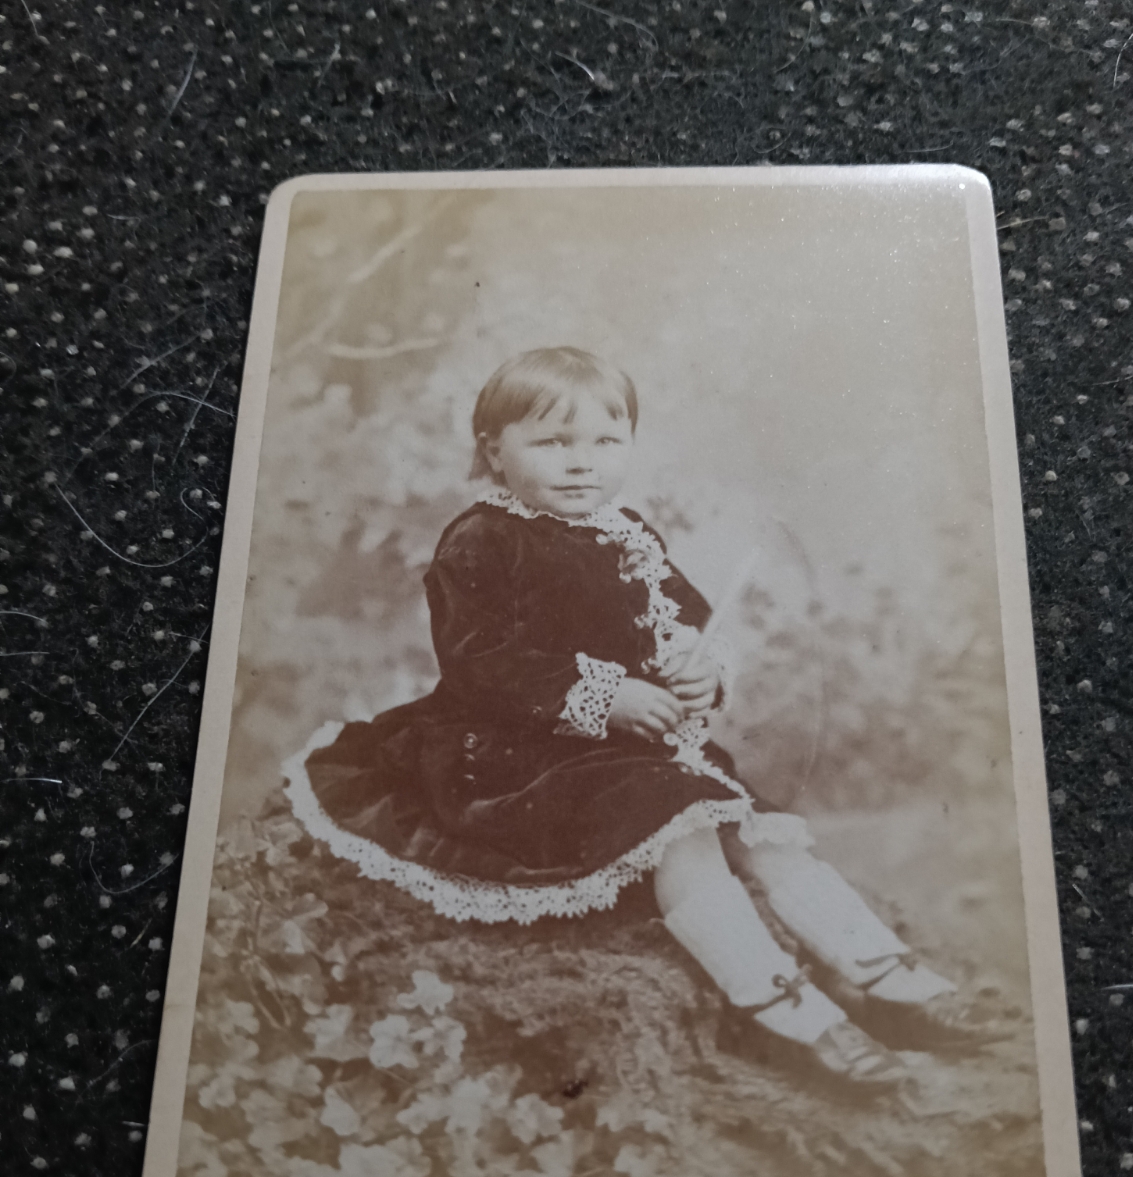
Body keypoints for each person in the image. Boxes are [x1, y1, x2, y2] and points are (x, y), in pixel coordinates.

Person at [285, 347, 983, 1087]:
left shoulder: (628, 532)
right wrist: (610, 695)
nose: (581, 464)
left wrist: (697, 663)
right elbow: (483, 660)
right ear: (493, 449)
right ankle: (790, 1011)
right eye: (552, 443)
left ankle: (892, 982)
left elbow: (682, 616)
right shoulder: (484, 538)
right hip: (518, 751)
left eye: (605, 443)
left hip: (626, 749)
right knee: (685, 837)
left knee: (761, 831)